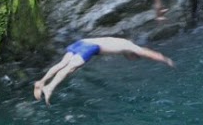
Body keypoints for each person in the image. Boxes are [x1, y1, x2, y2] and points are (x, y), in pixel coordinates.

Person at [33, 36, 174, 103]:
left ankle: (41, 82)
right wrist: (165, 60)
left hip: (81, 42)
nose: (131, 60)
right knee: (70, 69)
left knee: (62, 64)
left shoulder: (123, 42)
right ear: (133, 55)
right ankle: (49, 88)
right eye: (134, 58)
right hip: (91, 48)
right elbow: (148, 53)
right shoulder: (132, 48)